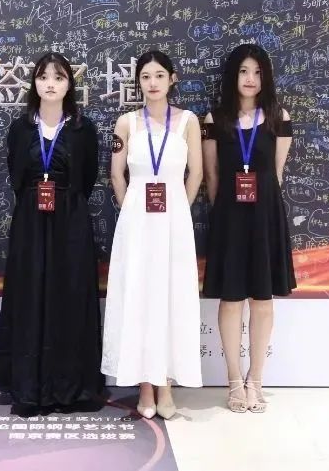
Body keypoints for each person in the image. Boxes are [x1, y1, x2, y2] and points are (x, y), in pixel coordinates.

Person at [0, 52, 105, 417]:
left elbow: (87, 178)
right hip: (30, 221)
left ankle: (72, 388)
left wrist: (64, 199)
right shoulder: (20, 128)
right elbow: (15, 175)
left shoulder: (83, 129)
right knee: (30, 296)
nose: (51, 84)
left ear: (69, 84)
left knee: (70, 296)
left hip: (71, 220)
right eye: (43, 77)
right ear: (34, 83)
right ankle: (29, 389)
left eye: (59, 77)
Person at [101, 49, 203, 420]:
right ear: (138, 82)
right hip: (137, 224)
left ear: (172, 79)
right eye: (146, 77)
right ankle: (145, 386)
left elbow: (196, 173)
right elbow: (116, 174)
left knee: (171, 297)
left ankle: (166, 386)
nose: (153, 83)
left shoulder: (188, 121)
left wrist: (179, 209)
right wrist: (130, 210)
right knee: (140, 296)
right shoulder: (126, 122)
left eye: (159, 75)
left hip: (174, 223)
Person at [202, 43, 295, 413]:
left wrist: (261, 208)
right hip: (229, 216)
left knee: (262, 300)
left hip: (265, 216)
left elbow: (277, 172)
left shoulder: (278, 117)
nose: (250, 78)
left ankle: (255, 380)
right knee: (231, 299)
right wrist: (225, 211)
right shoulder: (214, 119)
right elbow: (211, 175)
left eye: (257, 72)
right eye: (243, 71)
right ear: (233, 75)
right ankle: (233, 381)